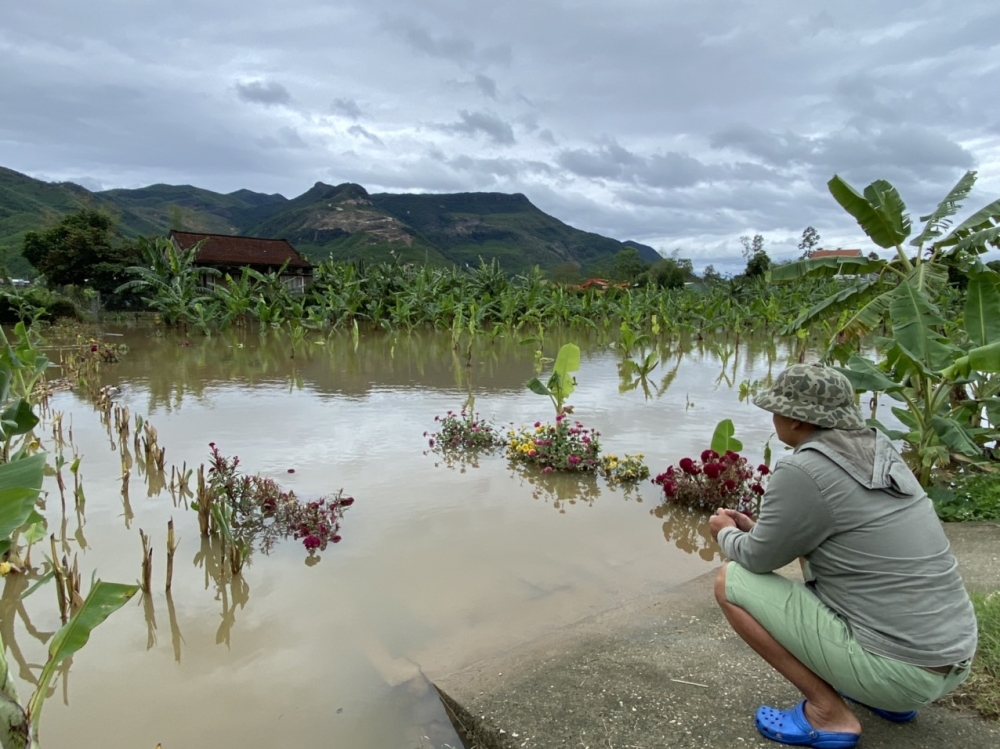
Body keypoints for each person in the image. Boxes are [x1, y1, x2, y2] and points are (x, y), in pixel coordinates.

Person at [708, 363, 977, 749]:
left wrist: (727, 533)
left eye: (776, 408)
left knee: (729, 581)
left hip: (900, 674)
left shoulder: (804, 468)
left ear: (798, 422)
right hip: (951, 659)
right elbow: (840, 533)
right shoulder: (878, 449)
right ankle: (884, 698)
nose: (773, 416)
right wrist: (757, 529)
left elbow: (755, 560)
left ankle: (827, 714)